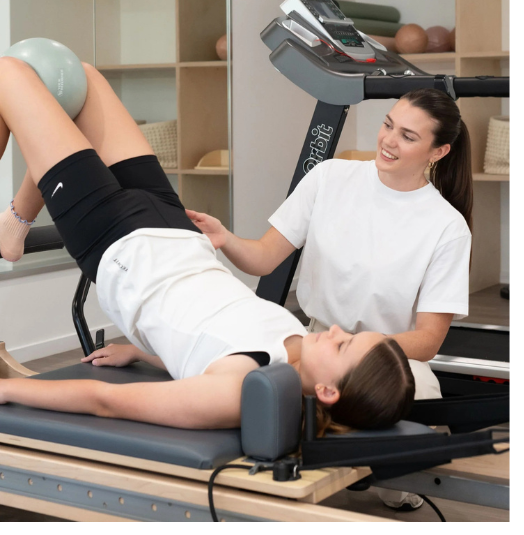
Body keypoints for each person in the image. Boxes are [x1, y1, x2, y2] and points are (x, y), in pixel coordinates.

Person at [0, 56, 414, 433]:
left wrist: (9, 391)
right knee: (76, 78)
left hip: (116, 241)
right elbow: (207, 336)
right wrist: (147, 355)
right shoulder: (288, 351)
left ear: (329, 391)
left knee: (7, 75)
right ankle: (16, 222)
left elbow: (108, 401)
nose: (334, 330)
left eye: (344, 345)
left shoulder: (239, 389)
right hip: (173, 223)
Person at [186, 89, 471, 507]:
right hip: (315, 343)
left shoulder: (447, 227)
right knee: (244, 398)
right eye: (388, 124)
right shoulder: (329, 177)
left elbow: (428, 340)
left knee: (399, 488)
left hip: (391, 362)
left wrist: (357, 354)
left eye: (408, 136)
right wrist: (225, 239)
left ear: (439, 150)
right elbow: (265, 258)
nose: (389, 141)